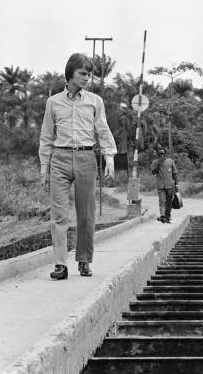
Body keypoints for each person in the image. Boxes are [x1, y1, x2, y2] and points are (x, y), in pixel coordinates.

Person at [39, 53, 117, 280]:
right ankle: (60, 264)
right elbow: (46, 137)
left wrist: (109, 156)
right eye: (82, 73)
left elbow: (102, 129)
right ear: (70, 73)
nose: (86, 78)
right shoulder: (53, 102)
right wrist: (44, 169)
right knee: (59, 215)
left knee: (86, 215)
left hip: (86, 158)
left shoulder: (95, 101)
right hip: (60, 159)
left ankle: (84, 260)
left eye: (89, 75)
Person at [151, 146, 178, 223]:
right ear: (158, 154)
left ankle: (167, 217)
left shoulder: (171, 161)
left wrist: (177, 185)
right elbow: (153, 172)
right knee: (162, 201)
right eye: (160, 153)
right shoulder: (154, 162)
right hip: (160, 186)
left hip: (170, 185)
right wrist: (159, 164)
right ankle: (162, 216)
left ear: (165, 154)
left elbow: (175, 174)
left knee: (169, 202)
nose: (161, 155)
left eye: (163, 153)